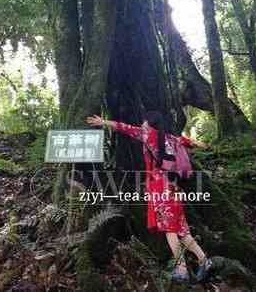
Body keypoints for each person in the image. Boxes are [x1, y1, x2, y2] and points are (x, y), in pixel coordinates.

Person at [86, 111, 212, 282]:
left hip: (160, 187)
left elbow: (125, 128)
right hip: (174, 187)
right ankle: (204, 260)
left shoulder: (148, 135)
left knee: (170, 230)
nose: (142, 124)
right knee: (182, 230)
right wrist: (202, 144)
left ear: (149, 123)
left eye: (144, 121)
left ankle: (181, 268)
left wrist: (103, 122)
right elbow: (189, 142)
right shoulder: (172, 138)